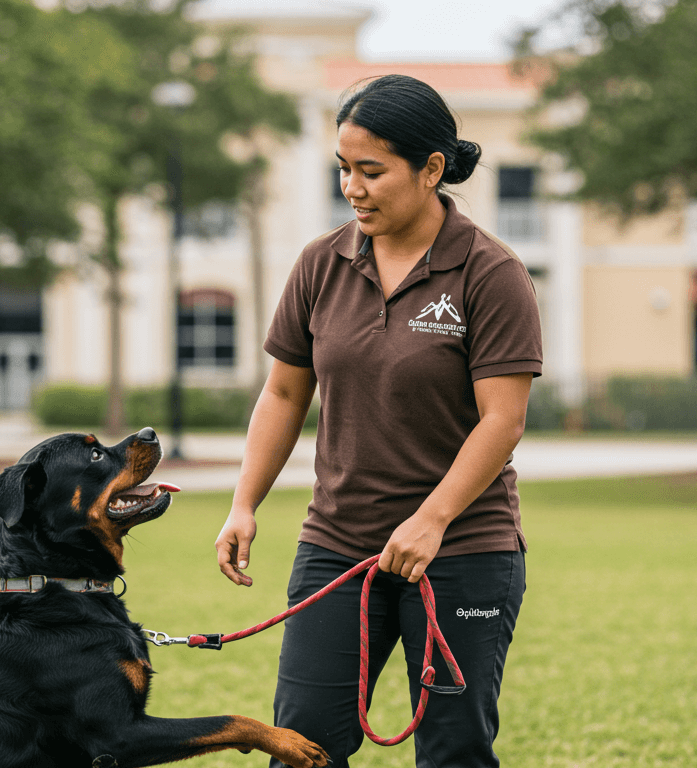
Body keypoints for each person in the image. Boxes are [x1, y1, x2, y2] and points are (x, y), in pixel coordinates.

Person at [214, 74, 543, 768]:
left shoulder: (491, 273)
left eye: (371, 171)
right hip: (337, 545)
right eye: (343, 169)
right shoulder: (321, 263)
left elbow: (502, 421)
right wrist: (244, 503)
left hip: (461, 551)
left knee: (454, 752)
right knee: (302, 747)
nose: (352, 188)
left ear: (431, 169)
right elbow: (283, 395)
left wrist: (431, 520)